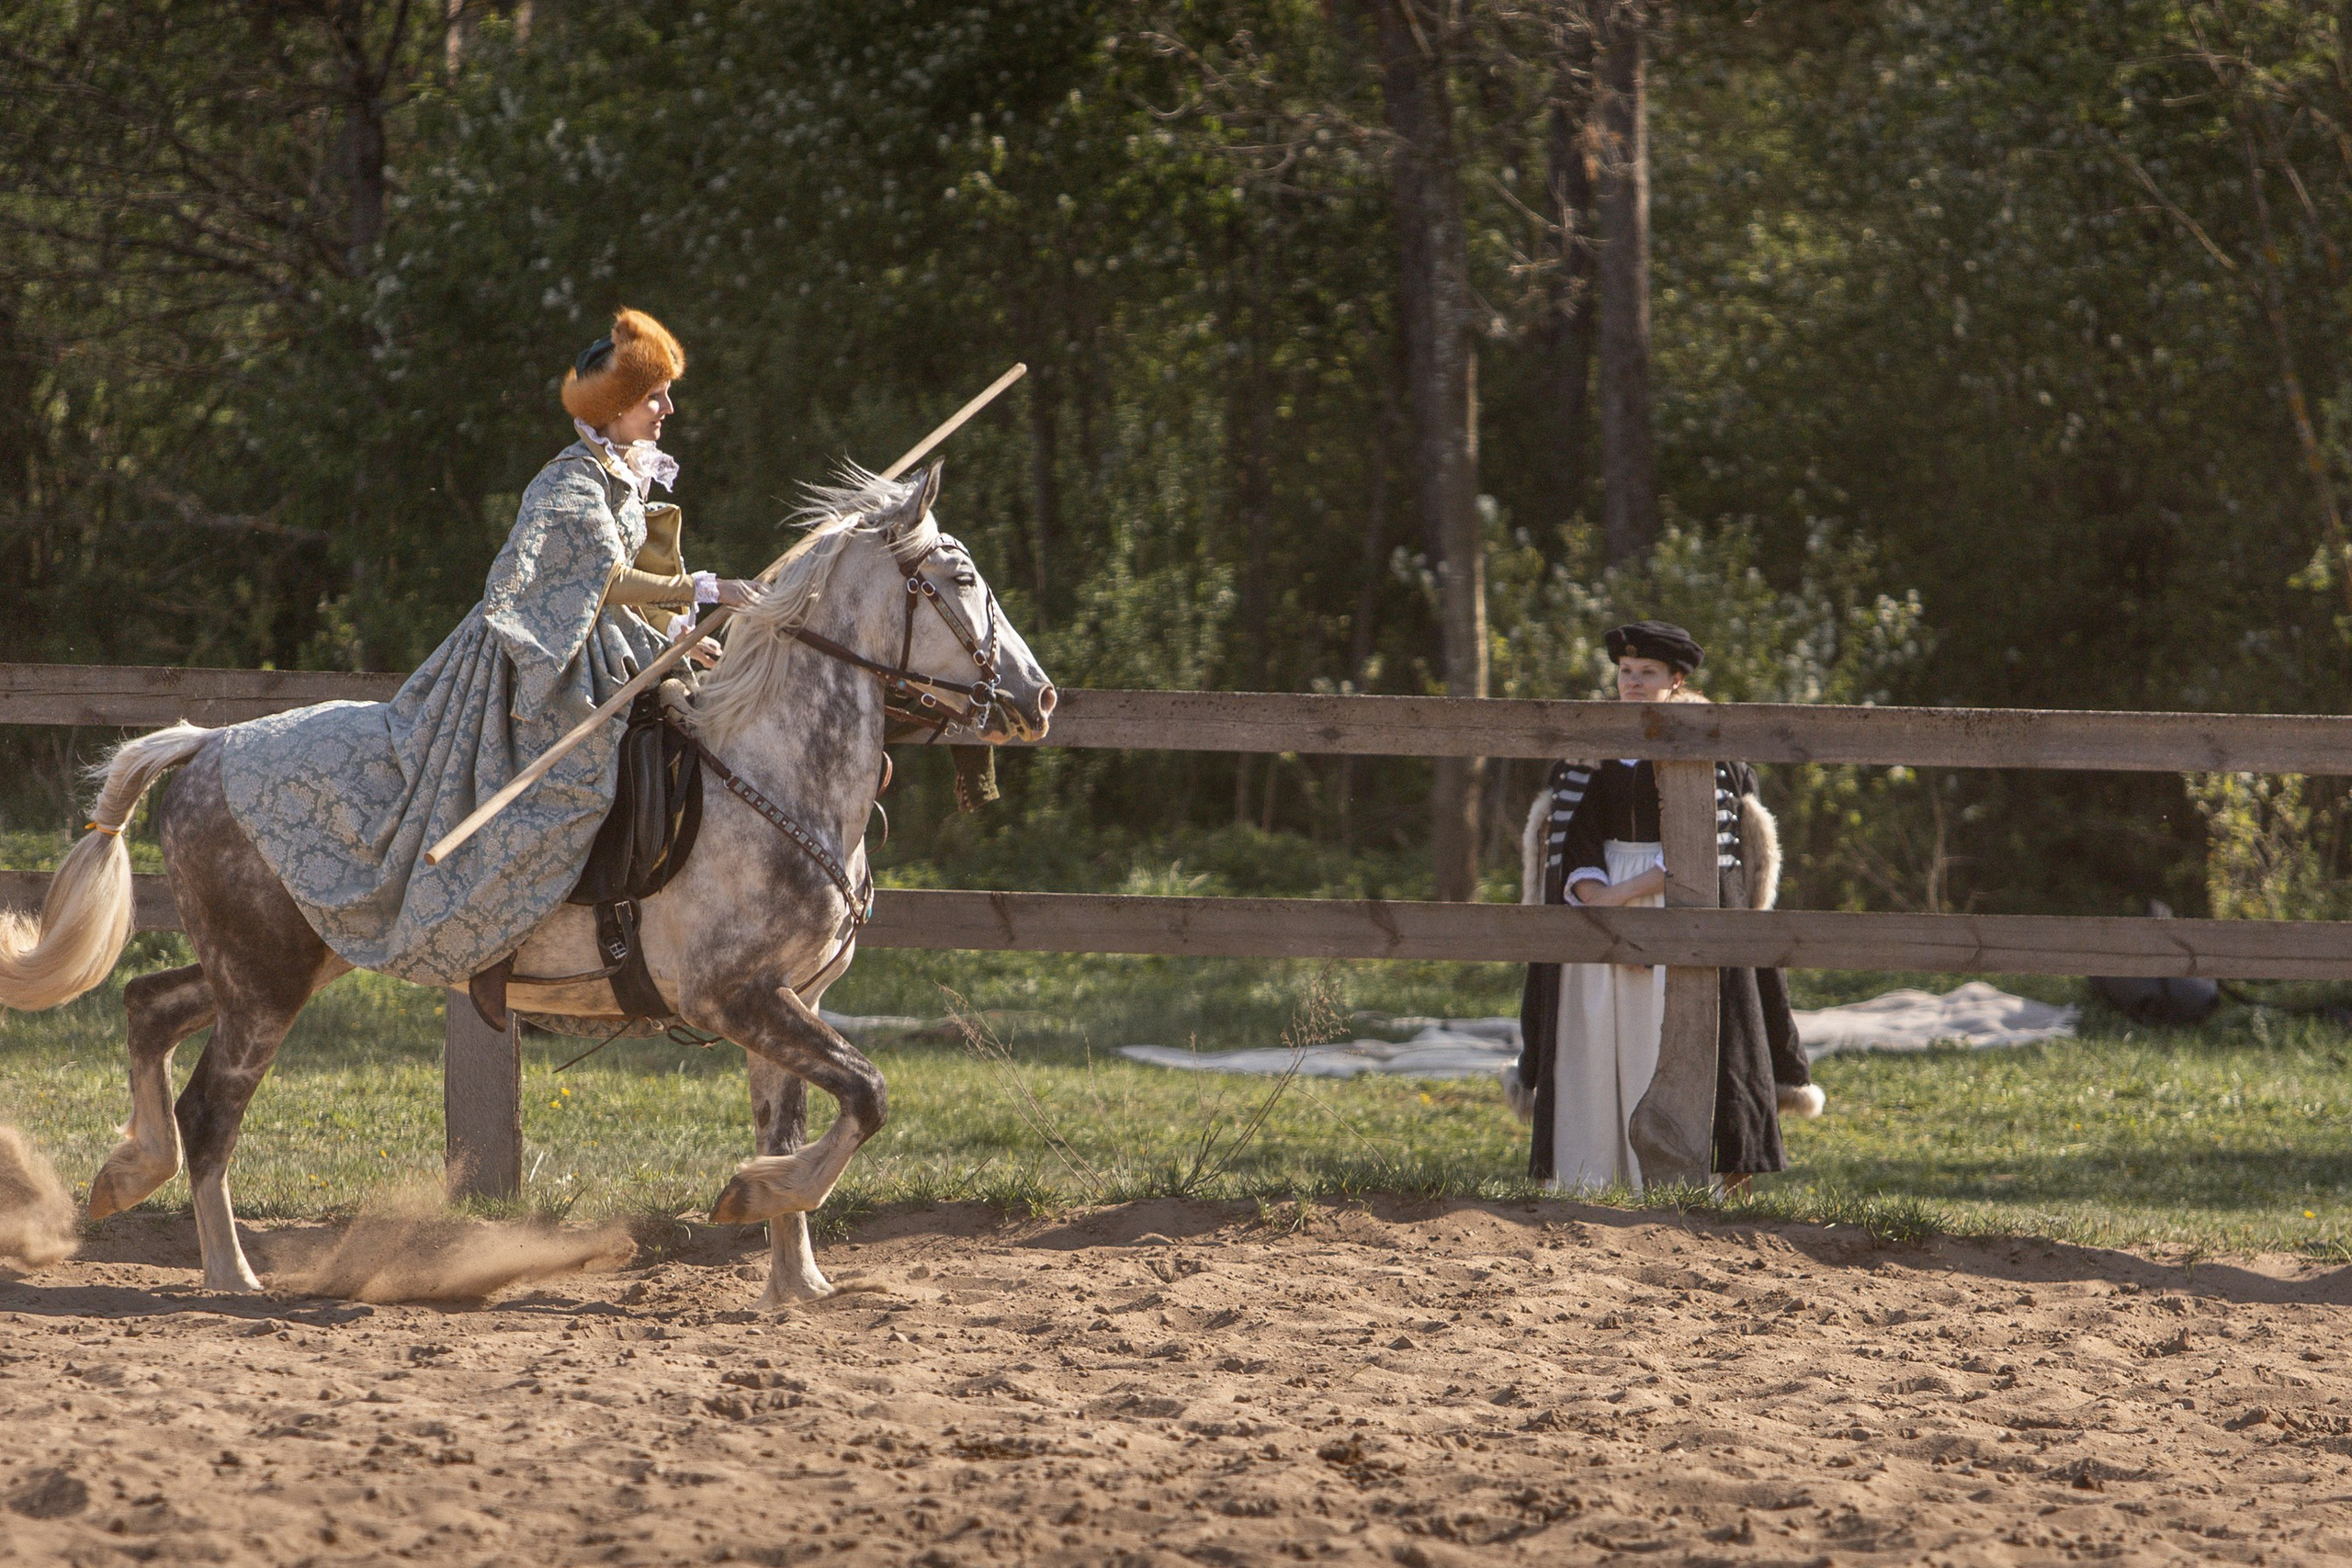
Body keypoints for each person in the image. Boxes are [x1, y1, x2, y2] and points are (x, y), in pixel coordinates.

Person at [216, 308, 756, 987]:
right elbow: (604, 579)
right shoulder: (568, 483)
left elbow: (616, 589)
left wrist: (677, 634)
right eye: (654, 397)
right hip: (539, 660)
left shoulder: (618, 475)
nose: (668, 409)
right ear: (614, 406)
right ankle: (512, 931)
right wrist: (706, 587)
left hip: (598, 647)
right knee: (570, 784)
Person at [1506, 619, 1823, 1192]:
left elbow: (1710, 854)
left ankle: (1683, 1180)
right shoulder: (1585, 750)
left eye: (1646, 672)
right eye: (1625, 671)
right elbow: (1572, 838)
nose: (1632, 682)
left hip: (1678, 899)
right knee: (1593, 1040)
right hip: (1592, 912)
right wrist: (1599, 902)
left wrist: (1627, 899)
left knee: (1668, 1034)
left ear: (1676, 680)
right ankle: (1589, 1178)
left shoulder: (1714, 752)